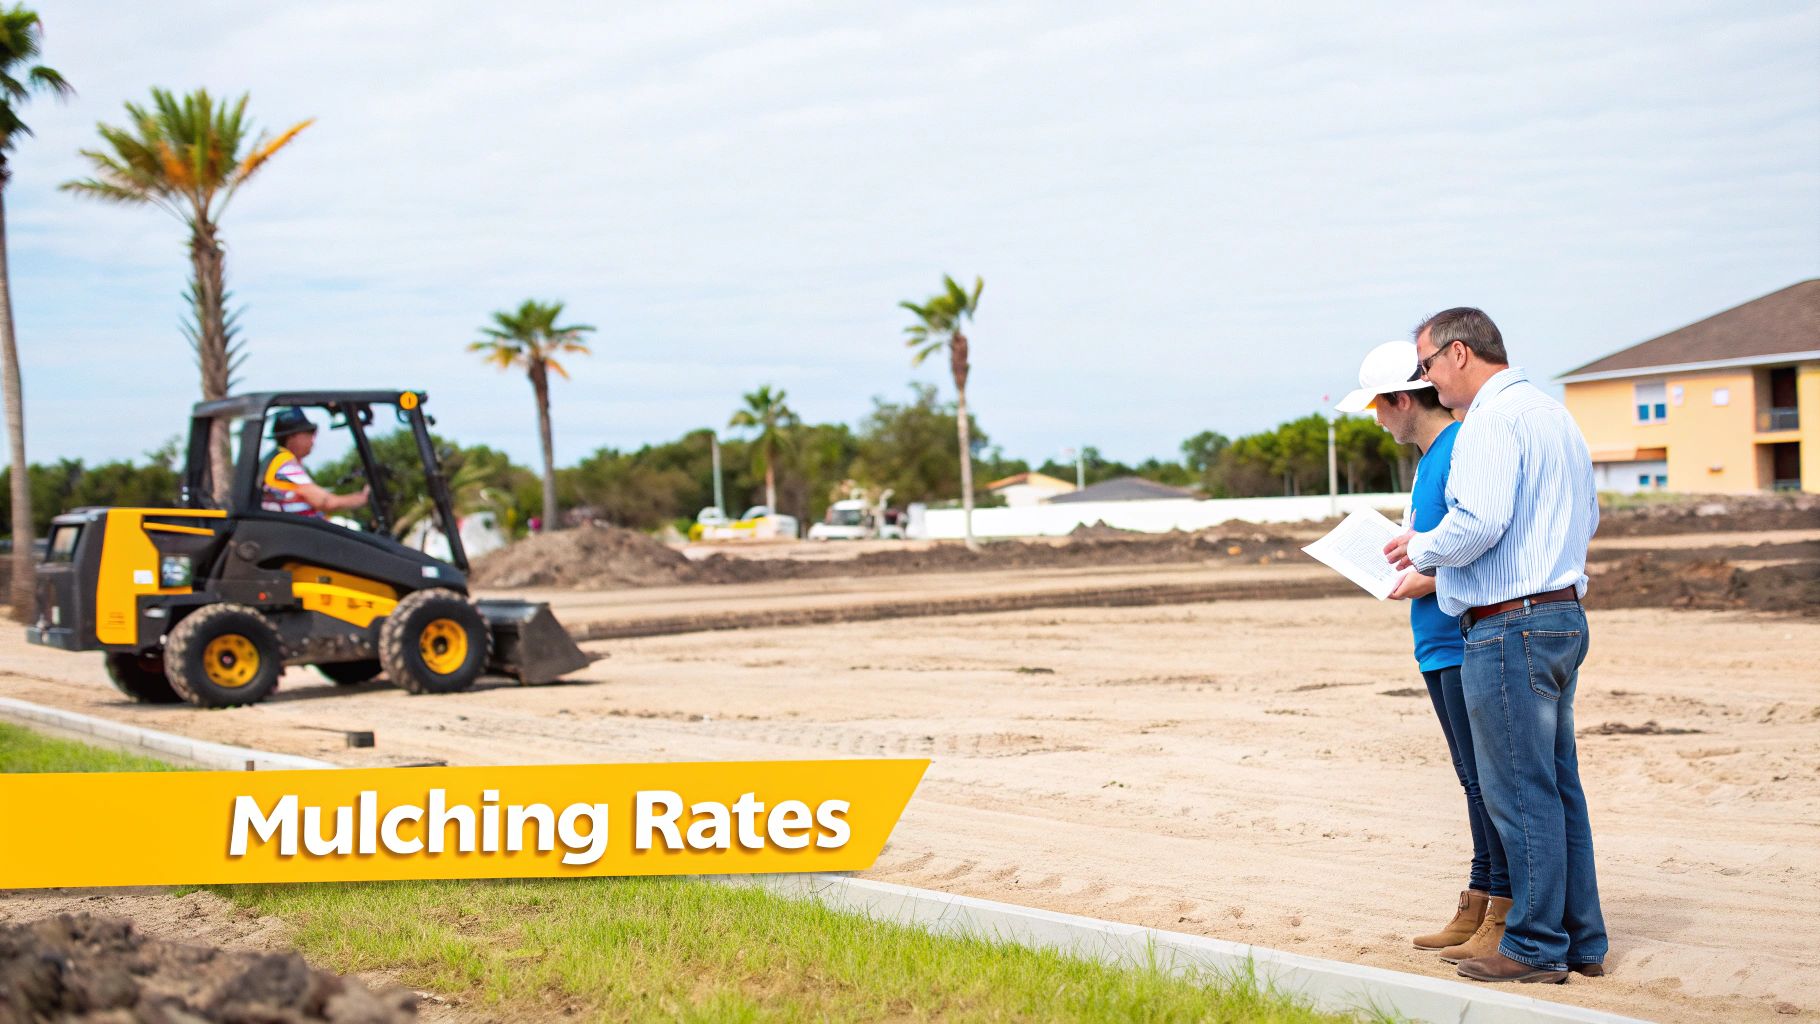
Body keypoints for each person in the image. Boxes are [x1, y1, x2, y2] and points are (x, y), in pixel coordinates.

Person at [1384, 308, 1606, 985]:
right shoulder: (1551, 414)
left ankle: (1534, 946)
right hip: (1561, 615)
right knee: (1557, 787)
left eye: (1425, 365)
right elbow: (1587, 515)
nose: (1425, 379)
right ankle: (1581, 938)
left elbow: (1478, 521)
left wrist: (1420, 548)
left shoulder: (1488, 420)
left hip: (1511, 624)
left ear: (1457, 354)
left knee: (1519, 791)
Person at [1336, 341, 1512, 962]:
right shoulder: (1431, 460)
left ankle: (1502, 910)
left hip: (1461, 637)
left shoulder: (1459, 451)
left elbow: (1484, 544)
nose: (1377, 422)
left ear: (1402, 401)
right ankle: (1481, 895)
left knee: (1487, 781)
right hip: (1436, 642)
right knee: (1472, 780)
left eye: (1378, 409)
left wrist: (1426, 578)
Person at [260, 407, 370, 519]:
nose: (313, 440)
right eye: (309, 433)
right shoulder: (284, 463)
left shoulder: (278, 461)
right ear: (293, 436)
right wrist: (364, 497)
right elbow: (325, 502)